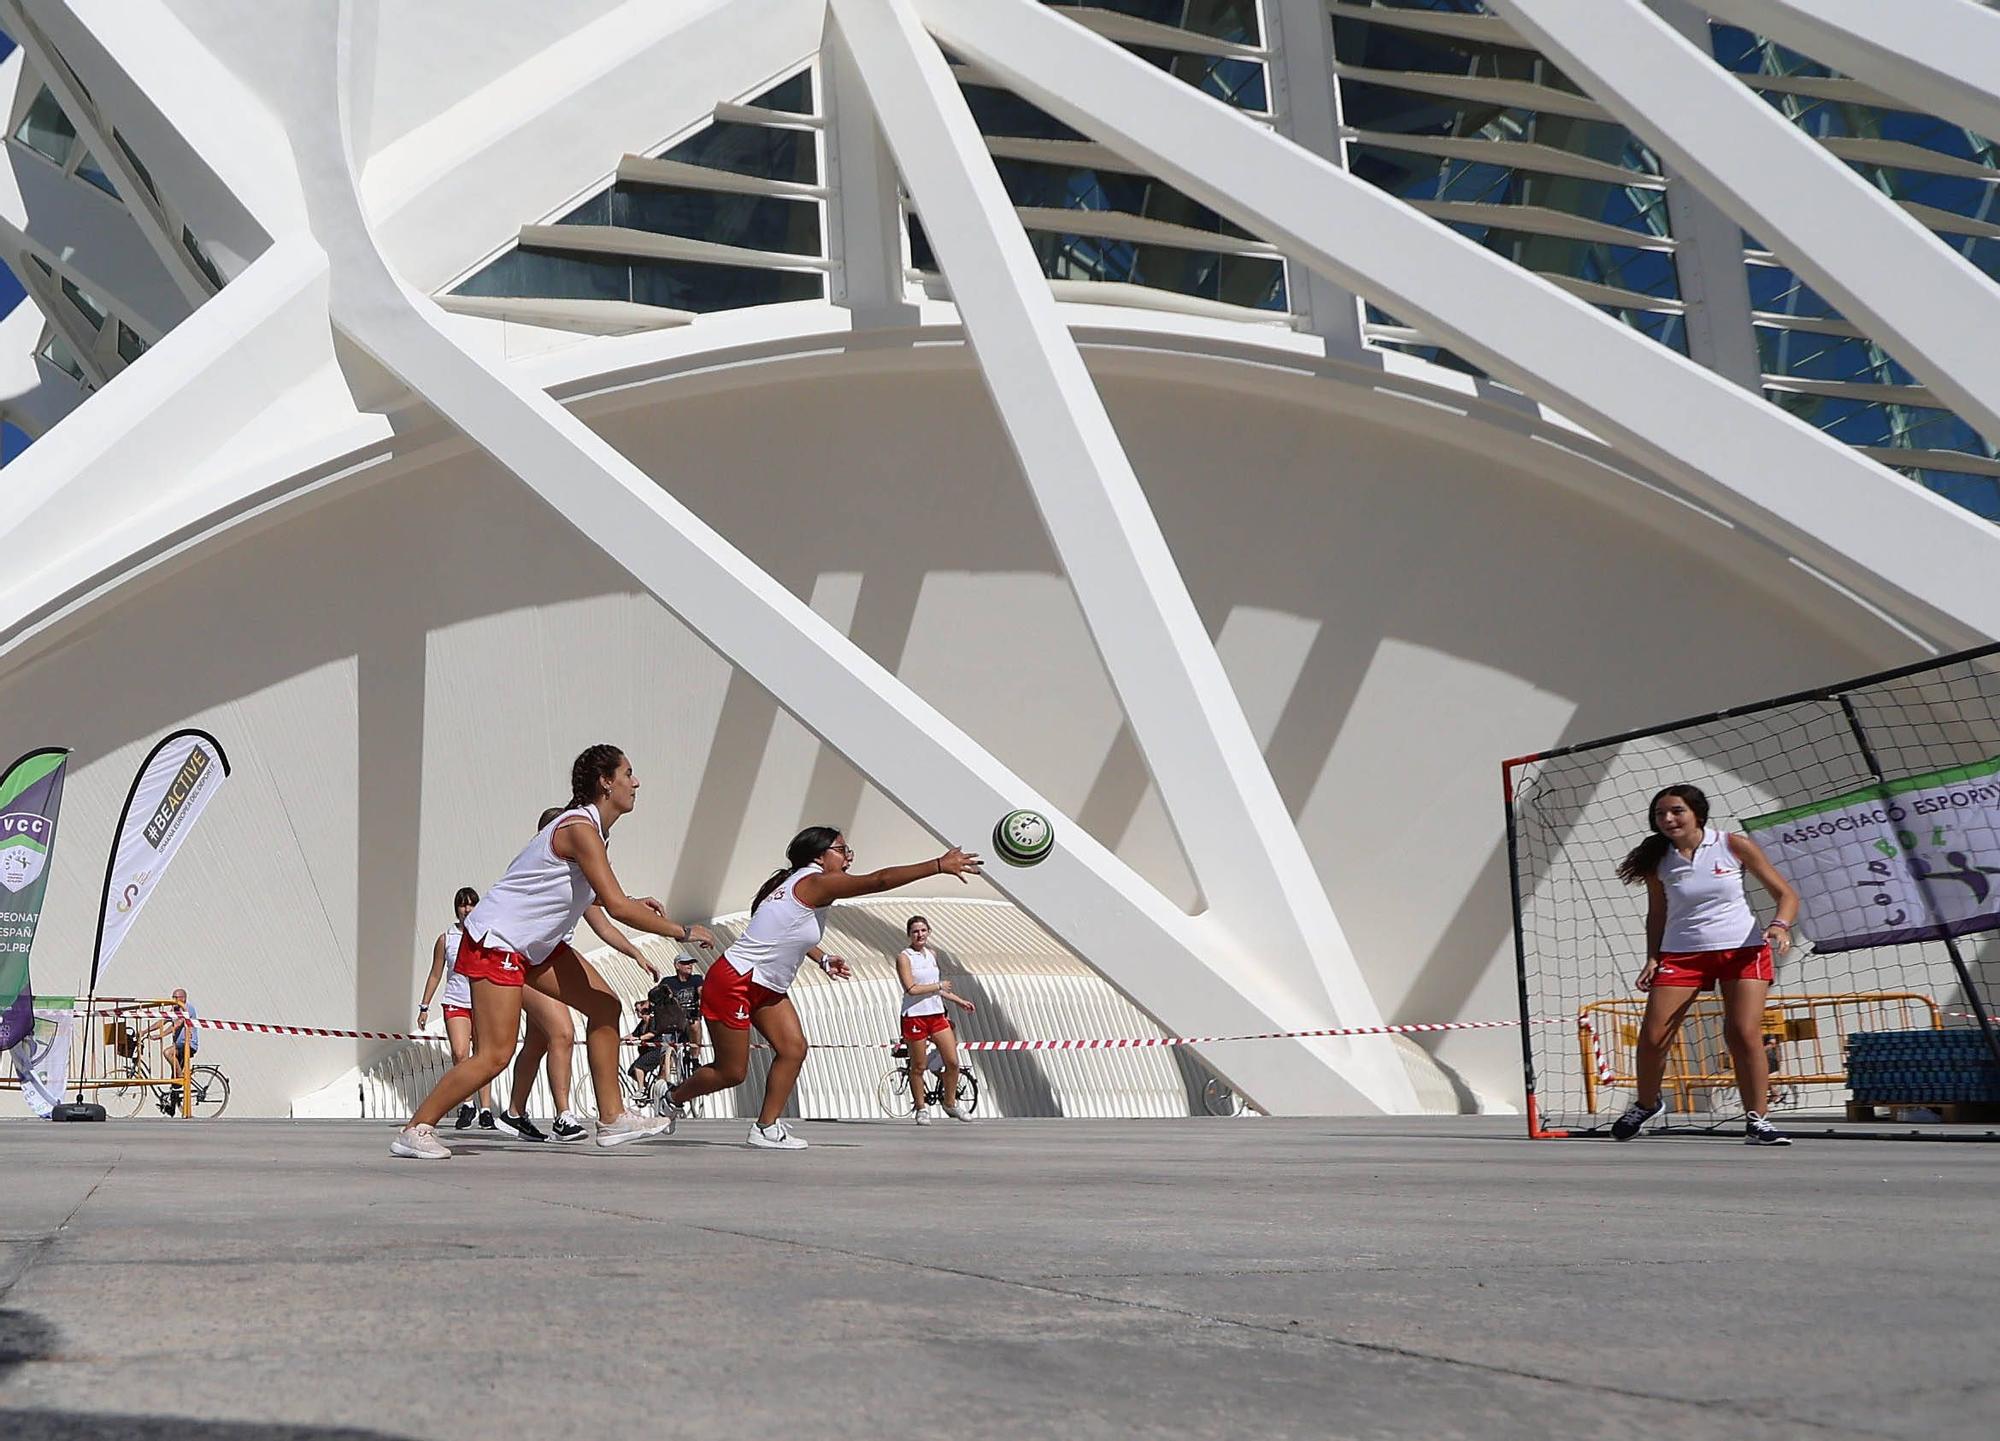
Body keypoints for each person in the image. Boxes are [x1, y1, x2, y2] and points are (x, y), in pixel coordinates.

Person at [391, 745, 717, 1158]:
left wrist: (635, 901)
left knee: (604, 1006)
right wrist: (681, 930)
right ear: (605, 782)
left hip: (533, 947)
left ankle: (613, 1119)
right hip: (497, 942)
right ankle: (416, 1128)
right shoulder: (579, 828)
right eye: (628, 773)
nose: (635, 782)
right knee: (495, 1055)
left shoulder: (595, 833)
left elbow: (593, 896)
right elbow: (615, 906)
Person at [667, 826, 981, 1150]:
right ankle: (673, 1097)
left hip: (767, 985)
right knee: (731, 1072)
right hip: (736, 980)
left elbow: (787, 933)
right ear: (820, 856)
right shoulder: (816, 881)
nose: (848, 857)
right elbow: (879, 881)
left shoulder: (794, 884)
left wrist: (822, 957)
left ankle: (766, 1127)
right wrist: (938, 866)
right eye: (842, 850)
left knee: (793, 1049)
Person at [1611, 783, 1800, 1146]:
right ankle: (1648, 1104)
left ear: (1698, 813)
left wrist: (1779, 925)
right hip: (1683, 954)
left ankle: (1758, 1120)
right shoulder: (1658, 860)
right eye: (1660, 814)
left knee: (1743, 1034)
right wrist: (1653, 956)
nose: (1668, 819)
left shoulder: (1733, 845)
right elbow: (1658, 912)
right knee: (1653, 1037)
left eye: (1676, 811)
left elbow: (1786, 894)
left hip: (1742, 950)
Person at [493, 813, 668, 1144]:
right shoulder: (545, 871)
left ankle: (514, 1113)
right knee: (562, 1032)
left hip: (550, 961)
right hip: (525, 960)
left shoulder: (578, 879)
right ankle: (563, 1115)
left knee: (538, 1041)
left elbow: (604, 924)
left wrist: (637, 953)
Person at [418, 887, 495, 1131]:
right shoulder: (447, 938)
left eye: (471, 905)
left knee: (483, 1054)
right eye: (463, 905)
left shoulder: (486, 936)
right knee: (460, 1053)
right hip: (456, 1001)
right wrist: (424, 1005)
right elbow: (435, 973)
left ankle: (485, 1110)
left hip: (482, 1003)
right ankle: (467, 1104)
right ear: (457, 909)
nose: (467, 909)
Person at [897, 914, 975, 1124]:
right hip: (915, 1016)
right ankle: (921, 1108)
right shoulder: (905, 957)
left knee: (952, 1061)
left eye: (923, 930)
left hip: (936, 1014)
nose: (919, 934)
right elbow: (911, 989)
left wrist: (958, 1000)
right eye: (915, 931)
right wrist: (938, 986)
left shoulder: (931, 954)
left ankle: (950, 1103)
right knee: (918, 1066)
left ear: (929, 932)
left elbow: (935, 987)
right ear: (909, 935)